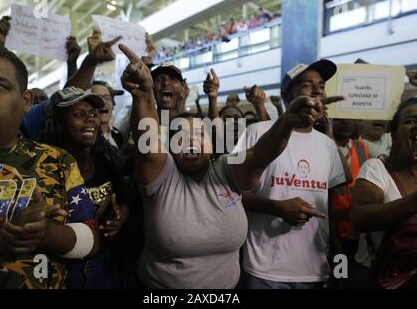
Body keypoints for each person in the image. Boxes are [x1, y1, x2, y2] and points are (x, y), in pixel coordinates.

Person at [118, 43, 340, 289]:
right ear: (169, 147)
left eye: (200, 134)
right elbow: (146, 144)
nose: (190, 140)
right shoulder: (163, 175)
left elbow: (259, 155)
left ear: (213, 145)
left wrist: (286, 122)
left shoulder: (225, 167)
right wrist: (143, 94)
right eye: (180, 136)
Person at [0, 42, 100, 288]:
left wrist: (46, 234)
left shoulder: (57, 160)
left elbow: (91, 239)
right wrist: (2, 243)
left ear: (26, 100)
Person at [234, 59, 351, 289]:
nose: (317, 89)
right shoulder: (256, 132)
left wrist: (339, 265)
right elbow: (229, 195)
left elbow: (334, 202)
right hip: (264, 271)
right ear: (287, 95)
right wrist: (277, 207)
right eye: (307, 85)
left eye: (321, 84)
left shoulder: (326, 145)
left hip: (315, 270)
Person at [39, 86, 129, 289]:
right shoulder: (43, 167)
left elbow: (124, 201)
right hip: (62, 271)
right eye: (79, 114)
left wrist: (120, 218)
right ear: (58, 122)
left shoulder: (108, 158)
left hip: (105, 267)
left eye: (92, 114)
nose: (90, 119)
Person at [350, 97, 417, 288]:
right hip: (381, 277)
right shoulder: (377, 169)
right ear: (394, 136)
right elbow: (359, 218)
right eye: (411, 121)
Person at [329, 118, 369, 274]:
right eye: (339, 118)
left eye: (349, 117)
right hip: (334, 232)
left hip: (358, 231)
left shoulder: (361, 146)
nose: (345, 122)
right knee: (340, 274)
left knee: (354, 273)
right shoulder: (323, 147)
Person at [90, 80, 126, 149]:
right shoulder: (87, 138)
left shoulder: (118, 135)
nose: (104, 102)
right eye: (98, 98)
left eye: (107, 98)